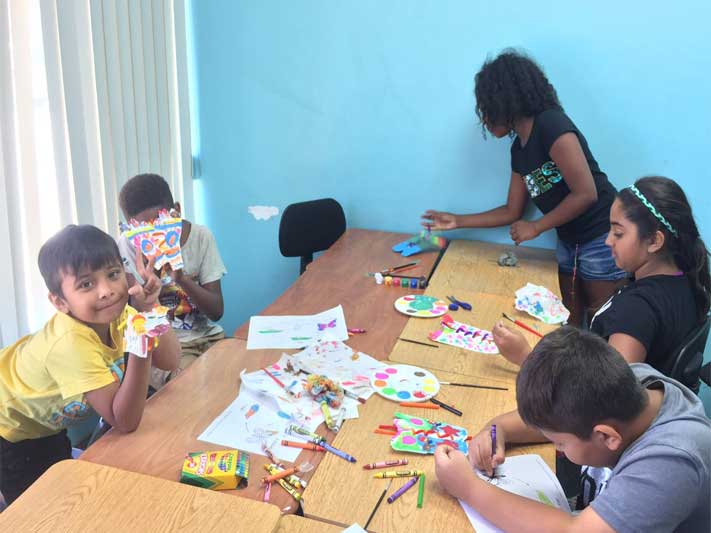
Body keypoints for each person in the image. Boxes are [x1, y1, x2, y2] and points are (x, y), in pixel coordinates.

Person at [435, 327, 711, 532]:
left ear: (606, 437)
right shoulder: (632, 381)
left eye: (560, 444)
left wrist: (469, 489)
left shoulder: (671, 463)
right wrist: (498, 428)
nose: (556, 448)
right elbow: (559, 419)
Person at [423, 50, 625, 326]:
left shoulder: (552, 125)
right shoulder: (519, 149)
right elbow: (511, 210)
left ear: (506, 101)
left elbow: (586, 193)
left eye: (487, 106)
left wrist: (537, 227)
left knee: (605, 326)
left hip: (601, 237)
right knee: (568, 325)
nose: (484, 117)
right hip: (568, 243)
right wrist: (457, 220)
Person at [0, 225, 179, 504]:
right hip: (10, 427)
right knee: (34, 511)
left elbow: (170, 361)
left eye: (113, 274)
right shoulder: (71, 343)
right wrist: (141, 345)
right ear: (60, 302)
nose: (106, 291)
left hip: (47, 425)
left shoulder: (118, 314)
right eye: (86, 284)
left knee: (64, 491)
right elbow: (124, 421)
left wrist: (150, 309)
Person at [493, 177, 710, 384]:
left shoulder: (637, 310)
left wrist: (526, 358)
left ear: (654, 240)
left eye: (618, 233)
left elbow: (604, 399)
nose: (607, 241)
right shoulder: (685, 280)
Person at [119, 173, 227, 389]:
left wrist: (181, 279)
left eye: (160, 227)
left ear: (176, 212)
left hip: (207, 336)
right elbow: (133, 318)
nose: (154, 237)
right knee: (195, 388)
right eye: (144, 232)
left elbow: (216, 311)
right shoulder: (129, 246)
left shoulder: (201, 237)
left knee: (234, 373)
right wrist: (152, 278)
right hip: (165, 348)